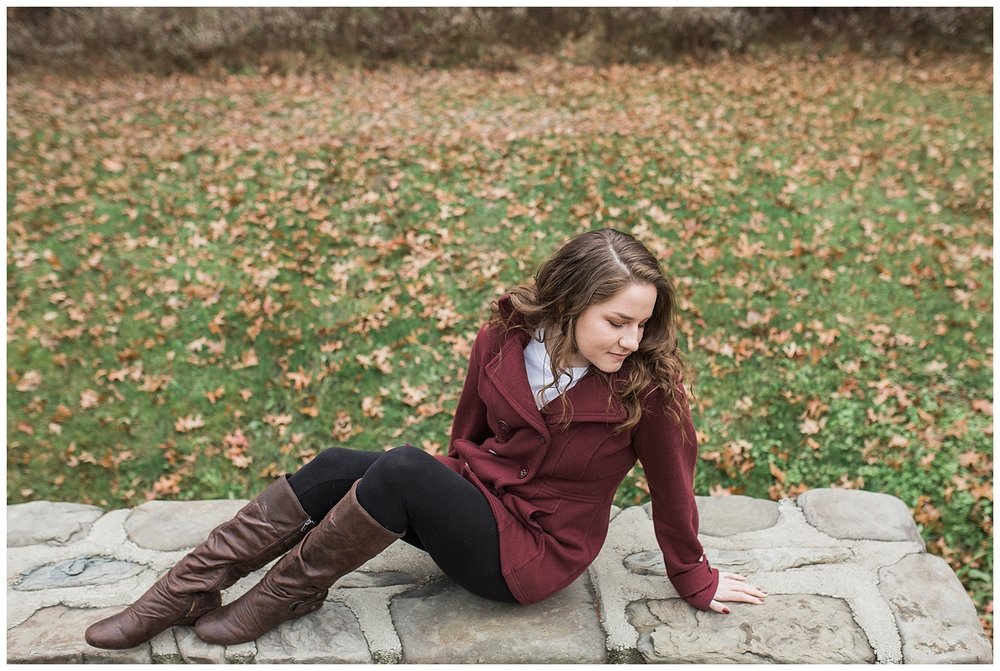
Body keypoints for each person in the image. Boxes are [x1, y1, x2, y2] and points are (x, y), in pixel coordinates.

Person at [85, 227, 766, 650]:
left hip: (533, 555)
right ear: (568, 301)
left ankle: (285, 592)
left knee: (403, 469)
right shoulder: (502, 340)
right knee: (338, 464)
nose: (632, 339)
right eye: (617, 321)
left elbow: (674, 492)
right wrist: (440, 497)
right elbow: (466, 435)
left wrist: (694, 576)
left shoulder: (647, 390)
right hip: (480, 506)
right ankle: (186, 590)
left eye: (642, 324)